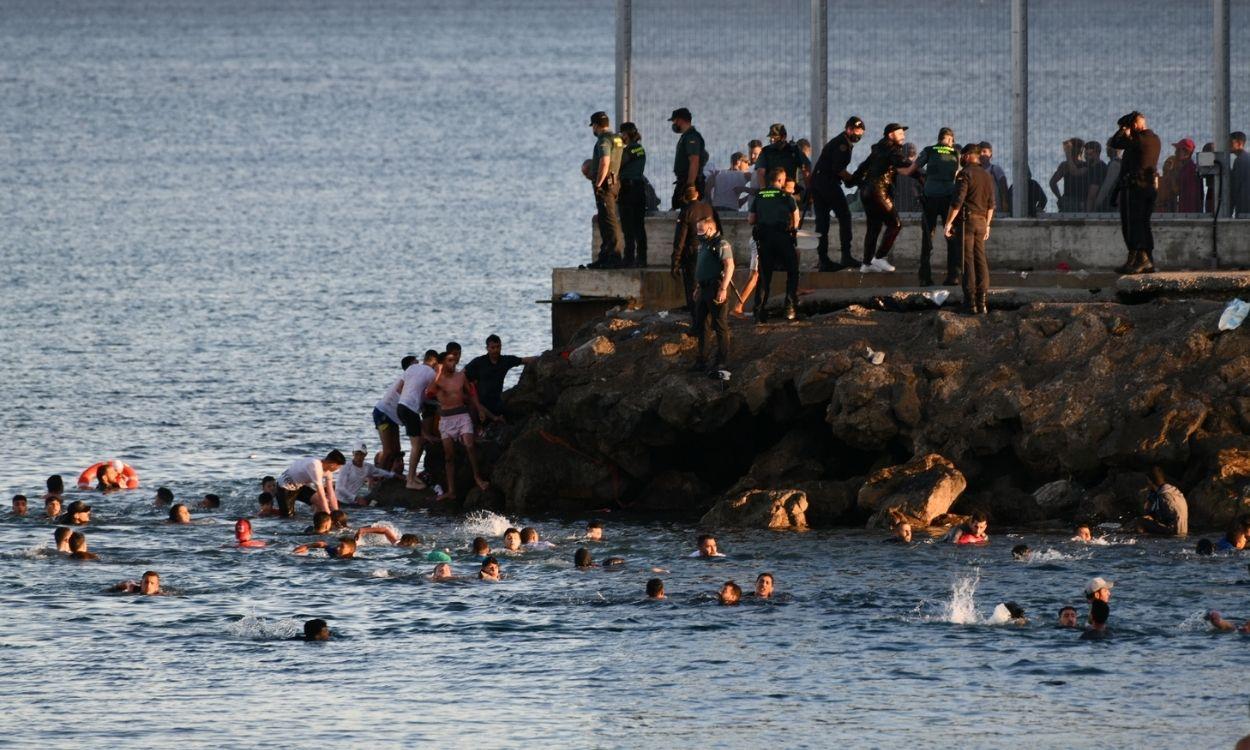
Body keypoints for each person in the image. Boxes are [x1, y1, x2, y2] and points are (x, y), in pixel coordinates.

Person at [855, 123, 917, 273]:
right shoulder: (892, 149)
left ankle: (867, 263)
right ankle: (879, 257)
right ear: (890, 135)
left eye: (904, 133)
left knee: (874, 227)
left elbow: (863, 166)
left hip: (866, 191)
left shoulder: (877, 149)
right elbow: (902, 162)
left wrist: (852, 181)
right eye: (900, 133)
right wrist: (919, 167)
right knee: (895, 224)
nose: (903, 135)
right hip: (879, 191)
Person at [430, 349, 490, 501]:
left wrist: (479, 409)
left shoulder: (461, 376)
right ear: (443, 364)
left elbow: (471, 393)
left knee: (469, 445)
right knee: (449, 456)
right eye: (449, 361)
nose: (453, 363)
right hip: (446, 420)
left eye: (454, 360)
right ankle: (451, 491)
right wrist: (438, 373)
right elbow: (428, 393)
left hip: (462, 416)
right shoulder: (438, 380)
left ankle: (477, 477)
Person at [944, 143, 997, 315]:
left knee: (967, 262)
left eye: (962, 156)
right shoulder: (987, 175)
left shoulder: (964, 174)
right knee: (980, 260)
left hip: (967, 222)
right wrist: (988, 225)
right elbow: (991, 205)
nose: (961, 159)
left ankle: (970, 303)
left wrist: (949, 223)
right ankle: (983, 303)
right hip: (982, 221)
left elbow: (958, 201)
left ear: (967, 156)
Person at [1108, 111, 1161, 274]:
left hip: (1136, 188)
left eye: (1130, 125)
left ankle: (1141, 260)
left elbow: (1115, 142)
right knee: (1143, 224)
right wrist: (1116, 191)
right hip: (1146, 187)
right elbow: (1126, 167)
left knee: (1133, 225)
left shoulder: (1138, 140)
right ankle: (1143, 260)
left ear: (1136, 125)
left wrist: (1124, 129)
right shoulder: (1153, 139)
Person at [810, 116, 865, 270]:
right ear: (848, 129)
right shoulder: (843, 144)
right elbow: (838, 169)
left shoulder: (841, 141)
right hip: (827, 183)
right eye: (856, 130)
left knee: (822, 221)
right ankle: (845, 256)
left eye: (861, 132)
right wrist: (854, 179)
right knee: (844, 216)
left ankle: (823, 259)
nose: (858, 134)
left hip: (818, 182)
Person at [748, 167, 801, 322]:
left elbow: (751, 219)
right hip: (783, 238)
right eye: (783, 180)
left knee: (764, 276)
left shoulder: (759, 196)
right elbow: (796, 219)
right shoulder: (786, 196)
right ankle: (790, 309)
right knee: (792, 270)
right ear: (779, 180)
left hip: (764, 240)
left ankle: (759, 312)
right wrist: (793, 230)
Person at [914, 127, 962, 286]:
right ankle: (953, 276)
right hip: (949, 199)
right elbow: (959, 174)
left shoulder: (929, 150)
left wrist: (927, 177)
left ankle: (924, 278)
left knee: (928, 237)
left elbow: (916, 167)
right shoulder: (956, 153)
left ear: (939, 138)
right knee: (951, 237)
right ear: (950, 140)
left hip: (930, 198)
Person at [689, 215, 734, 372]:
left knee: (720, 325)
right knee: (702, 326)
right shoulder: (704, 244)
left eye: (701, 229)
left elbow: (729, 266)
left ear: (711, 228)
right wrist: (697, 288)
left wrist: (723, 288)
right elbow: (702, 268)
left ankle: (722, 361)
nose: (698, 232)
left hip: (716, 288)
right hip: (703, 288)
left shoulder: (721, 244)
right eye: (697, 229)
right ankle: (702, 360)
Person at [464, 334, 536, 422]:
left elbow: (524, 360)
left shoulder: (505, 361)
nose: (495, 350)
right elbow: (463, 374)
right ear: (487, 348)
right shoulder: (479, 362)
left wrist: (544, 357)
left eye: (498, 347)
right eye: (492, 347)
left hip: (497, 401)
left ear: (501, 347)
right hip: (481, 403)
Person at [586, 110, 625, 269]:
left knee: (608, 220)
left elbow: (605, 162)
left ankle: (614, 256)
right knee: (605, 219)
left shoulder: (604, 140)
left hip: (606, 185)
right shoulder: (617, 138)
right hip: (614, 183)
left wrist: (598, 183)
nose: (593, 130)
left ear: (595, 125)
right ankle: (605, 255)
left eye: (593, 126)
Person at [672, 184, 719, 314]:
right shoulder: (708, 208)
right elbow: (718, 230)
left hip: (692, 254)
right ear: (697, 194)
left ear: (685, 198)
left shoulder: (686, 211)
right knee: (709, 285)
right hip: (709, 251)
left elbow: (680, 239)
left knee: (693, 287)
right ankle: (708, 318)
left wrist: (675, 261)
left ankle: (696, 320)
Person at [396, 350, 439, 490]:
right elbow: (433, 393)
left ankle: (412, 476)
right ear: (434, 361)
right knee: (417, 446)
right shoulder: (432, 373)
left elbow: (399, 388)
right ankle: (410, 480)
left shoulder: (412, 367)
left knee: (418, 442)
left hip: (401, 406)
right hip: (410, 409)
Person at [373, 355, 415, 471]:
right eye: (415, 363)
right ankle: (380, 477)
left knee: (397, 450)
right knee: (388, 451)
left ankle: (390, 474)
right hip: (383, 414)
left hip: (392, 416)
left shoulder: (412, 378)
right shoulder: (406, 378)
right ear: (410, 367)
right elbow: (400, 391)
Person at [275, 450, 345, 517]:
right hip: (284, 487)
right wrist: (328, 514)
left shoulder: (328, 472)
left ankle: (320, 522)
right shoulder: (315, 466)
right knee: (288, 517)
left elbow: (331, 494)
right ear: (332, 464)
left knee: (324, 503)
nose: (338, 469)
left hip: (300, 486)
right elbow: (321, 495)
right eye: (338, 467)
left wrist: (336, 513)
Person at [617, 122, 648, 267]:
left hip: (628, 190)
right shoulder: (640, 149)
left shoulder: (629, 150)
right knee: (639, 226)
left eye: (622, 134)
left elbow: (618, 164)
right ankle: (642, 258)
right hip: (639, 189)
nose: (621, 137)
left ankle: (629, 258)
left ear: (627, 134)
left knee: (628, 227)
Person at [754, 124, 811, 198]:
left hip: (789, 192)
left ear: (783, 137)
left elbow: (806, 169)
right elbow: (760, 172)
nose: (772, 140)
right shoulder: (766, 151)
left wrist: (809, 191)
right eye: (771, 138)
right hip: (771, 193)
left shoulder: (794, 150)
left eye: (775, 138)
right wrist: (764, 193)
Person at [668, 107, 708, 210]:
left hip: (690, 182)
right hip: (683, 182)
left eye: (674, 121)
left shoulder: (691, 137)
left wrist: (690, 185)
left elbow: (694, 161)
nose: (673, 124)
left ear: (680, 120)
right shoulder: (686, 137)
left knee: (689, 214)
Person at [1133, 466, 1188, 537]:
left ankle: (1142, 545)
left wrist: (1150, 517)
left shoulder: (1162, 496)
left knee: (1139, 521)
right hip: (1184, 531)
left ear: (1150, 481)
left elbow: (1161, 517)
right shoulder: (1174, 491)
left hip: (1173, 532)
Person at [334, 442, 394, 507]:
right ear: (353, 453)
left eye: (361, 454)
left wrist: (394, 475)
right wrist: (356, 498)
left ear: (366, 454)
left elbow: (380, 472)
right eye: (357, 454)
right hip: (340, 502)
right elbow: (339, 488)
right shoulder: (346, 467)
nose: (359, 457)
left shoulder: (368, 467)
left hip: (353, 502)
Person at [1049, 137, 1089, 213]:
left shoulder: (1082, 165)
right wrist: (1060, 198)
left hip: (1073, 201)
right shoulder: (1085, 165)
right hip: (1078, 201)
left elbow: (1052, 182)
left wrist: (1060, 198)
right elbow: (1052, 182)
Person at [978, 142, 1010, 215]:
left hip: (995, 208)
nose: (982, 154)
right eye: (979, 152)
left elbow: (1003, 187)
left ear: (990, 155)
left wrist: (1005, 203)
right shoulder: (975, 170)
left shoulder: (995, 169)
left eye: (984, 152)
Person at [1094, 142, 1123, 211]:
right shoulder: (1122, 162)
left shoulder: (1114, 164)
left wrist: (1098, 202)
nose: (1106, 149)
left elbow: (1107, 185)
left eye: (1108, 147)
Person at [1229, 132, 1249, 217]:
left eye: (1230, 142)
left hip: (1243, 207)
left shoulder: (1239, 161)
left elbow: (1234, 187)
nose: (1227, 145)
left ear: (1239, 143)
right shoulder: (1246, 158)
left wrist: (1229, 210)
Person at [293, 537, 358, 559]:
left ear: (351, 550)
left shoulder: (354, 561)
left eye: (342, 547)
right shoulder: (334, 553)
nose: (337, 548)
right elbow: (323, 544)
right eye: (338, 545)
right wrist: (307, 546)